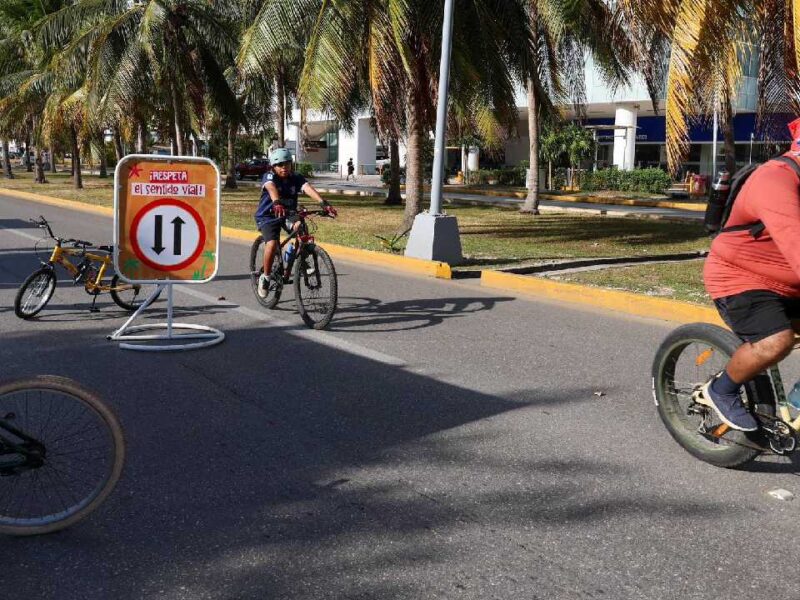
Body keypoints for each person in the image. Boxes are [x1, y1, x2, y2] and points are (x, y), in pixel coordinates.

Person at [698, 118, 800, 431]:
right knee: (775, 341)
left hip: (787, 283)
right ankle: (721, 389)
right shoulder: (775, 180)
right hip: (740, 277)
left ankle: (795, 404)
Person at [254, 147, 337, 297]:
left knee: (300, 226)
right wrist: (276, 201)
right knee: (272, 244)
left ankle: (297, 256)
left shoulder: (296, 177)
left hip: (287, 214)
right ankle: (265, 277)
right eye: (280, 165)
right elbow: (271, 188)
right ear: (273, 166)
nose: (284, 168)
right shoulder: (269, 177)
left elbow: (307, 188)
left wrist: (323, 203)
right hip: (268, 216)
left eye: (287, 164)